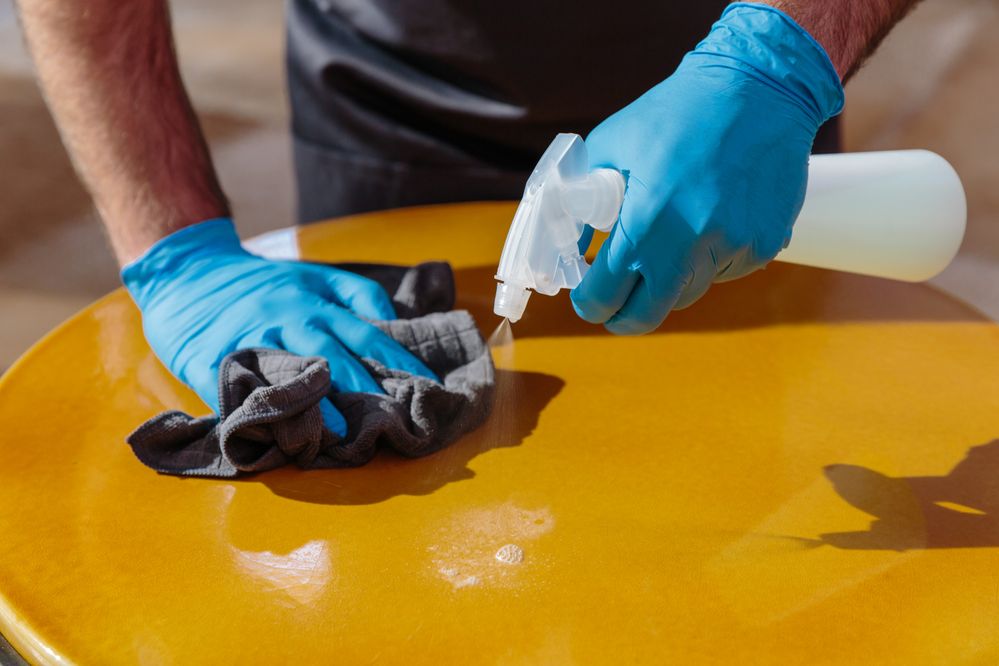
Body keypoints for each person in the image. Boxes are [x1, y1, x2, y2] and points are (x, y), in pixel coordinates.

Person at [15, 1, 919, 431]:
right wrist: (179, 250)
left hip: (731, 112)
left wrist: (779, 56)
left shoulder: (758, 82)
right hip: (394, 98)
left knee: (743, 455)